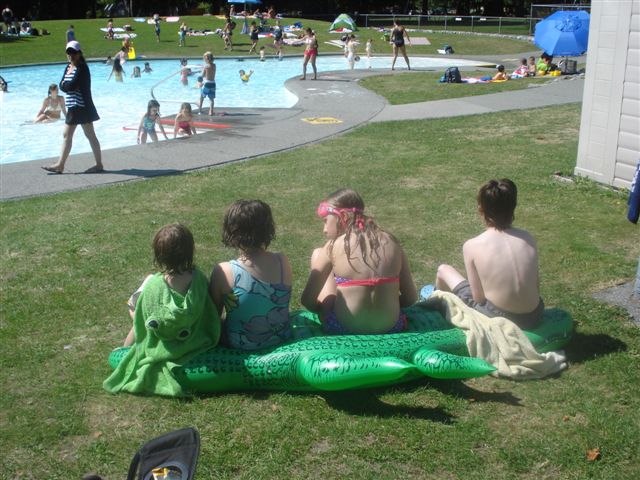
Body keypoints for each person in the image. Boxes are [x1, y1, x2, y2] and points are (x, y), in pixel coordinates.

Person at [106, 223, 220, 397]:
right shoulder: (199, 281)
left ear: (159, 256)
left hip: (163, 342)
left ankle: (125, 341)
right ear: (190, 251)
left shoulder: (153, 286)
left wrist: (125, 348)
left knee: (136, 309)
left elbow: (141, 325)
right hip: (193, 341)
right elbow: (208, 315)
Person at [301, 188, 418, 334]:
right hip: (392, 327)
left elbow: (307, 300)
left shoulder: (331, 247)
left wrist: (327, 308)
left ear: (342, 217)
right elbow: (410, 298)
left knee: (318, 254)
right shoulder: (392, 242)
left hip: (342, 328)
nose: (324, 229)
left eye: (326, 221)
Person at [435, 179, 544, 330]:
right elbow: (536, 287)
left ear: (481, 210)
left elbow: (478, 298)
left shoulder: (472, 246)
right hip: (534, 316)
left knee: (443, 270)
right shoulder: (527, 237)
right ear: (514, 207)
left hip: (500, 319)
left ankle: (438, 314)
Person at [209, 200, 293, 350]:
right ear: (268, 229)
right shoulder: (282, 261)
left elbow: (213, 316)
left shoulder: (224, 271)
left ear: (232, 231)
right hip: (280, 339)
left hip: (241, 344)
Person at [42, 41, 103, 174]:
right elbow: (62, 85)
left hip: (80, 106)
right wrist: (65, 86)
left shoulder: (82, 68)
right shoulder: (68, 67)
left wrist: (65, 85)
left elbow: (70, 86)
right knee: (86, 135)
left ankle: (61, 165)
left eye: (73, 52)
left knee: (77, 135)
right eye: (68, 52)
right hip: (73, 106)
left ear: (79, 53)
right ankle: (96, 164)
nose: (71, 55)